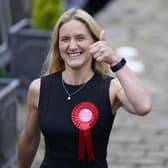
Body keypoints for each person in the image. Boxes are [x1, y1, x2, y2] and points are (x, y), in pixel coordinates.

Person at [17, 8, 152, 168]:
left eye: (80, 38)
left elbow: (143, 106)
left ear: (95, 42)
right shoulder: (39, 88)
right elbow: (29, 139)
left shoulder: (111, 88)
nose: (72, 46)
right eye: (65, 39)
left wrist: (115, 60)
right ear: (57, 45)